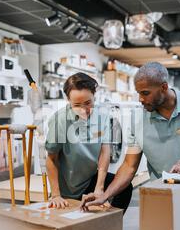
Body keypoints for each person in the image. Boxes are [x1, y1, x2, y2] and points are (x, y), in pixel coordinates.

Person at [80, 62, 180, 211]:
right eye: (138, 93)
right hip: (161, 193)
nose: (140, 99)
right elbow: (129, 166)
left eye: (145, 93)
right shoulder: (138, 120)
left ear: (164, 87)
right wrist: (105, 194)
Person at [45, 72, 132, 213]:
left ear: (94, 95)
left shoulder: (102, 117)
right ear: (68, 100)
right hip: (67, 186)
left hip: (90, 179)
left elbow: (104, 153)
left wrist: (99, 188)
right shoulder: (60, 120)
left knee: (124, 188)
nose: (84, 110)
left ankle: (109, 227)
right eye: (77, 105)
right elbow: (51, 159)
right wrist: (56, 195)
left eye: (88, 103)